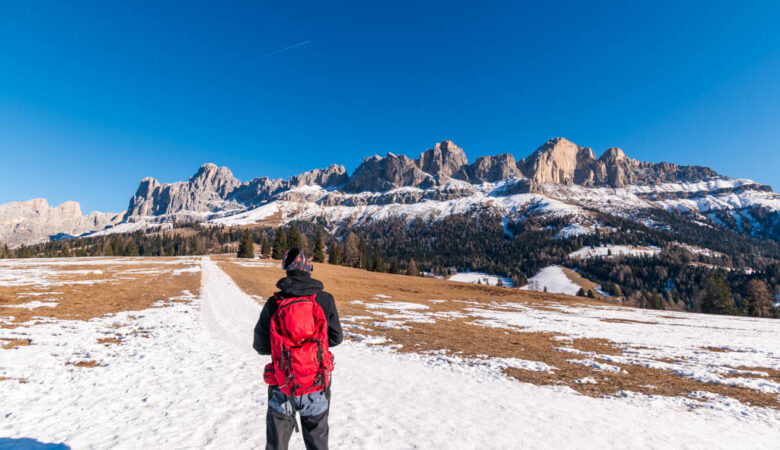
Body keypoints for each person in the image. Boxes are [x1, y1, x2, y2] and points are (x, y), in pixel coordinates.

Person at [253, 247, 343, 450]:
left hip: (283, 384)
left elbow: (260, 346)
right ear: (308, 268)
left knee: (277, 445)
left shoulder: (274, 303)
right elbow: (336, 338)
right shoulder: (324, 299)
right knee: (317, 443)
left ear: (286, 269)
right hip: (316, 383)